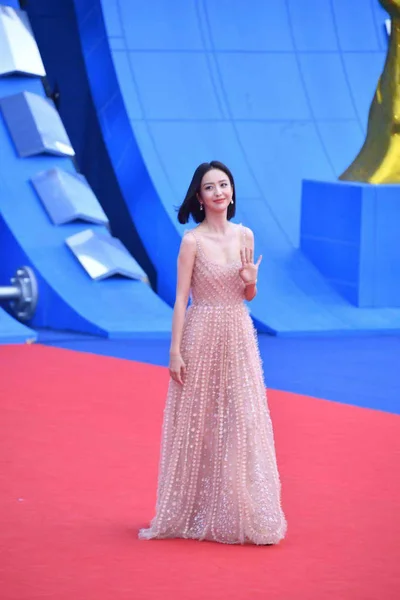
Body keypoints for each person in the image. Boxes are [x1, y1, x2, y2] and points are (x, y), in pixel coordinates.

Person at [138, 161, 287, 545]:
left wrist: (251, 284)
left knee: (242, 417)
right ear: (199, 197)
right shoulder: (192, 241)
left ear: (232, 192)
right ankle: (193, 510)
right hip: (200, 331)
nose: (219, 191)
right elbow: (180, 299)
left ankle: (240, 511)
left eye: (224, 184)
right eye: (210, 187)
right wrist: (174, 351)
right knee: (199, 422)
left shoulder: (246, 235)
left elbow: (248, 295)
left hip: (238, 332)